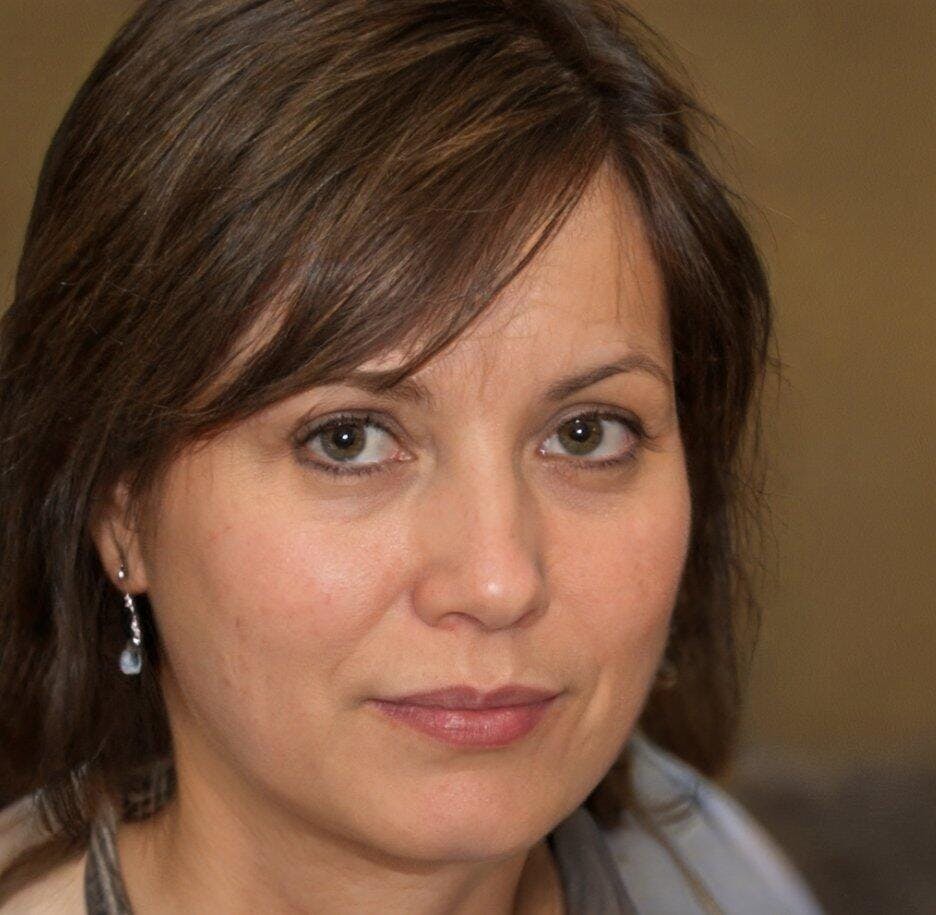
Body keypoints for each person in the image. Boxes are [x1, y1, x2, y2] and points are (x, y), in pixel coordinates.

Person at [0, 1, 824, 912]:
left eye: (586, 433)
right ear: (119, 505)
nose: (498, 581)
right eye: (348, 439)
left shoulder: (727, 879)